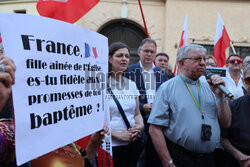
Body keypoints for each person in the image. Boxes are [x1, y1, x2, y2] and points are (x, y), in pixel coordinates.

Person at [148, 44, 231, 167]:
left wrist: (220, 97)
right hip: (180, 157)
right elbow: (155, 129)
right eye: (197, 59)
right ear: (181, 63)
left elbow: (226, 123)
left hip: (208, 159)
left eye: (203, 58)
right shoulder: (167, 88)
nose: (203, 63)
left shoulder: (211, 86)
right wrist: (168, 163)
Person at [126, 38, 168, 167]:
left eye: (152, 51)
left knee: (154, 160)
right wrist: (142, 106)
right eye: (146, 51)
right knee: (134, 159)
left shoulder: (161, 73)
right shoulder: (129, 71)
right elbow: (125, 98)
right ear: (139, 52)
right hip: (136, 124)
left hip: (158, 123)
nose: (149, 54)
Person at [107, 42, 144, 167]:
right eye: (119, 55)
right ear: (109, 59)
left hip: (132, 145)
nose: (124, 59)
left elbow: (137, 113)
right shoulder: (100, 85)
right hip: (110, 146)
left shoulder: (132, 85)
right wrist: (118, 135)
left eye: (127, 56)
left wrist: (140, 126)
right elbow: (95, 121)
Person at [221, 63, 250, 167]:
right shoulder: (233, 106)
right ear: (243, 81)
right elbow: (223, 138)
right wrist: (239, 155)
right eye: (249, 80)